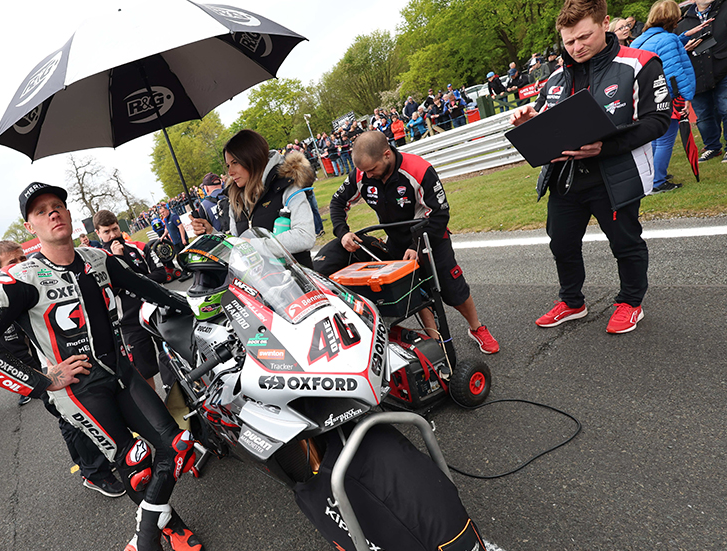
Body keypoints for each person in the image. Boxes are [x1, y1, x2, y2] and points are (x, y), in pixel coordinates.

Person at [0, 182, 202, 551]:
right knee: (135, 464)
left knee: (174, 445)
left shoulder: (97, 259)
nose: (53, 213)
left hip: (120, 370)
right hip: (78, 389)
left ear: (69, 215)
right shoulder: (18, 278)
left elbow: (147, 287)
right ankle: (159, 535)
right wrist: (41, 380)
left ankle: (147, 536)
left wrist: (195, 304)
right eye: (41, 211)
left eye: (58, 206)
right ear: (30, 226)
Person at [510, 0, 670, 333]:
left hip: (615, 175)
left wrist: (606, 146)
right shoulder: (555, 76)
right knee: (561, 242)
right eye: (569, 41)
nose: (577, 47)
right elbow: (545, 118)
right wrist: (529, 121)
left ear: (605, 23)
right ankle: (572, 302)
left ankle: (630, 301)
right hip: (565, 178)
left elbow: (658, 120)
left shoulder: (640, 63)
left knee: (625, 242)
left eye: (584, 37)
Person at [317, 131, 501, 355]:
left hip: (431, 237)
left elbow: (440, 214)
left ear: (387, 155)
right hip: (395, 241)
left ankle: (477, 327)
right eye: (364, 171)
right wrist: (342, 232)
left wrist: (416, 246)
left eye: (372, 169)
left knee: (453, 289)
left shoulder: (418, 169)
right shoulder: (361, 174)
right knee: (413, 291)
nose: (369, 175)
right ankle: (436, 343)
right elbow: (337, 203)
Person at [0, 240, 124, 497]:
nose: (20, 266)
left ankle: (105, 458)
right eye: (12, 263)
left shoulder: (33, 281)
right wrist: (44, 381)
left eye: (22, 259)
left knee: (91, 414)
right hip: (46, 374)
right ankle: (94, 474)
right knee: (70, 421)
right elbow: (4, 351)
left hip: (70, 365)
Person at [189, 129, 317, 267]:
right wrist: (211, 232)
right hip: (258, 285)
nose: (230, 172)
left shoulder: (287, 185)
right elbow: (236, 246)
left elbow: (305, 236)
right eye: (228, 165)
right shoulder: (235, 198)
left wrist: (255, 246)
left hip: (298, 284)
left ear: (252, 158)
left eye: (235, 162)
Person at [93, 209, 167, 390]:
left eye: (115, 229)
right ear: (98, 233)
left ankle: (179, 402)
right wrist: (117, 260)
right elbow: (108, 291)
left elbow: (161, 274)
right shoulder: (97, 261)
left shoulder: (139, 247)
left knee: (172, 359)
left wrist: (134, 281)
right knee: (144, 373)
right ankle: (157, 413)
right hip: (129, 323)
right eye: (106, 232)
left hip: (157, 312)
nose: (112, 235)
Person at [631, 0, 697, 193]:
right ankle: (657, 180)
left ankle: (651, 175)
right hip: (665, 96)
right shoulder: (668, 40)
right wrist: (685, 97)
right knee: (666, 138)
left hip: (644, 97)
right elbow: (675, 72)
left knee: (653, 140)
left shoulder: (638, 41)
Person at [679, 0, 727, 162]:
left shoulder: (724, 8)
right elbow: (676, 48)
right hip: (696, 73)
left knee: (726, 108)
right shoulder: (684, 18)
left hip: (722, 68)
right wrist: (685, 49)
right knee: (703, 115)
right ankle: (712, 147)